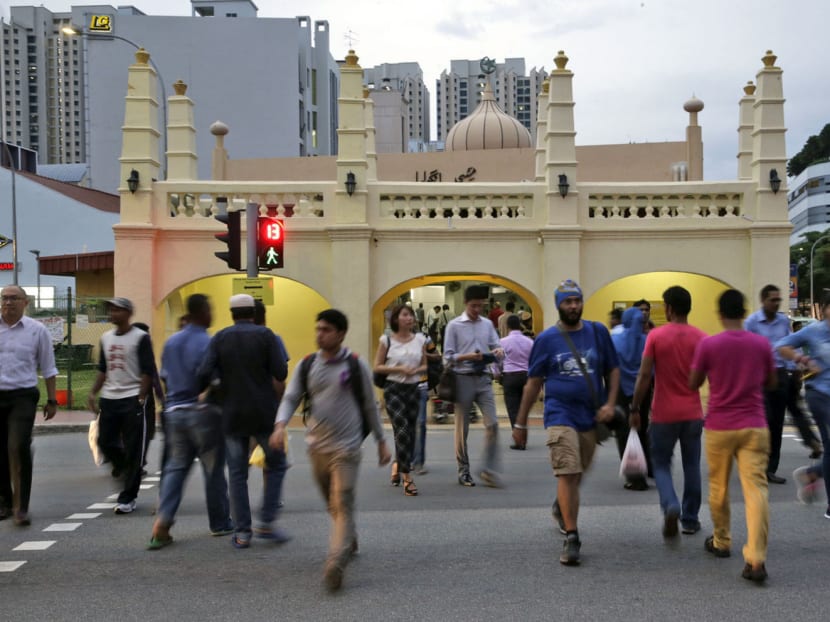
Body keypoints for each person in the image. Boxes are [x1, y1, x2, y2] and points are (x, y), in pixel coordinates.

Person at [270, 309, 391, 592]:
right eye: (318, 328)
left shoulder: (355, 365)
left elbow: (369, 406)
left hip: (347, 448)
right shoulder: (307, 364)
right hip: (317, 448)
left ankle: (335, 562)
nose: (319, 334)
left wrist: (381, 441)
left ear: (340, 334)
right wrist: (279, 426)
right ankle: (349, 537)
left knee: (342, 499)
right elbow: (290, 397)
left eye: (325, 329)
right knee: (334, 505)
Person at [513, 279, 619, 566]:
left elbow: (612, 369)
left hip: (590, 415)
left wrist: (611, 403)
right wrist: (520, 424)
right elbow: (533, 383)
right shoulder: (546, 340)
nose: (573, 306)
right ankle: (572, 536)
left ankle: (562, 505)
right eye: (567, 301)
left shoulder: (597, 332)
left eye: (577, 300)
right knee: (568, 472)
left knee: (578, 471)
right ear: (558, 304)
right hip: (559, 414)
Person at [689, 289, 775, 584]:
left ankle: (721, 541)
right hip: (755, 423)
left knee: (719, 487)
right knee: (756, 490)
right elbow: (771, 381)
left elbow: (693, 382)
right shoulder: (761, 343)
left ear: (720, 313)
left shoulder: (709, 344)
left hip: (720, 424)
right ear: (743, 312)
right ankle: (756, 558)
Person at [197, 294, 289, 549]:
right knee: (277, 464)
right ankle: (267, 521)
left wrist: (218, 383)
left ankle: (242, 533)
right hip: (263, 413)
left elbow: (204, 372)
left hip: (232, 414)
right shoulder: (266, 336)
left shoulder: (220, 337)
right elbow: (281, 371)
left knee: (237, 474)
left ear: (232, 313)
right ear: (253, 312)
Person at [148, 294, 233, 549]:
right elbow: (215, 379)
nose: (212, 314)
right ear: (202, 312)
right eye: (210, 309)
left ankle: (163, 522)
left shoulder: (172, 342)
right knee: (212, 467)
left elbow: (164, 376)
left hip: (174, 411)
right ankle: (219, 523)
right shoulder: (209, 342)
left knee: (175, 467)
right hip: (203, 411)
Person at [631, 286, 706, 537]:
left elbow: (643, 376)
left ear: (669, 308)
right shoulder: (701, 338)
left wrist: (634, 407)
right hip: (693, 412)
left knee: (661, 464)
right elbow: (704, 377)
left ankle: (670, 504)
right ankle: (691, 518)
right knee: (692, 464)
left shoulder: (656, 336)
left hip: (663, 412)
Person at [745, 285, 822, 484]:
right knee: (763, 422)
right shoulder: (752, 322)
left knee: (777, 423)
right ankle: (754, 463)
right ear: (763, 300)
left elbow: (789, 345)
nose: (776, 303)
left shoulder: (782, 321)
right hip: (760, 376)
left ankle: (770, 468)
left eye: (778, 300)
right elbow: (746, 349)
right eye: (773, 300)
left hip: (781, 375)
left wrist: (795, 370)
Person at [87, 297, 156, 515]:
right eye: (111, 309)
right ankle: (124, 466)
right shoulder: (106, 338)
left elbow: (148, 370)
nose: (112, 313)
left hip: (132, 397)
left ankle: (128, 498)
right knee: (104, 441)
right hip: (110, 398)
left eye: (117, 310)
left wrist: (142, 397)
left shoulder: (140, 338)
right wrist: (93, 392)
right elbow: (103, 368)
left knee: (135, 448)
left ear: (128, 313)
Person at [0, 285, 59, 526]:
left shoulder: (37, 331)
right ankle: (5, 501)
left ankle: (21, 507)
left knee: (18, 445)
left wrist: (52, 399)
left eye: (14, 298)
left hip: (23, 396)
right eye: (4, 298)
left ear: (26, 303)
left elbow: (48, 367)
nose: (8, 302)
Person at [442, 285, 504, 487]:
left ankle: (487, 468)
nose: (477, 309)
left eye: (481, 305)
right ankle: (464, 470)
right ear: (466, 303)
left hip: (484, 378)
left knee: (493, 424)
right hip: (462, 378)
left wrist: (498, 352)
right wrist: (468, 356)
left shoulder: (487, 324)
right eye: (474, 305)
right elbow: (447, 358)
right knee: (462, 429)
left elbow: (495, 345)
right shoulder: (454, 326)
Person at [776, 291, 830, 519]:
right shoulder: (815, 331)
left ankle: (813, 473)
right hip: (820, 394)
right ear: (825, 310)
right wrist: (804, 360)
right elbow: (782, 346)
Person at [373, 304, 426, 496]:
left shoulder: (420, 339)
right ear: (395, 319)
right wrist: (399, 369)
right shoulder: (386, 340)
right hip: (393, 388)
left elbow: (424, 365)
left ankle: (397, 464)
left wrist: (416, 371)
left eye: (411, 315)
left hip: (413, 389)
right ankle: (407, 477)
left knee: (409, 432)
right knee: (402, 429)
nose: (409, 318)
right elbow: (378, 366)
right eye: (405, 315)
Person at [611, 306, 651, 491]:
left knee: (624, 432)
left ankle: (634, 477)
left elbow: (609, 366)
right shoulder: (646, 341)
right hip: (642, 392)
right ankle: (647, 468)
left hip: (621, 391)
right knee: (641, 429)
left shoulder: (615, 339)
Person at [132, 321, 163, 475]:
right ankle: (138, 462)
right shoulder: (144, 353)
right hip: (143, 399)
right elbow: (154, 376)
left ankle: (132, 462)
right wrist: (161, 398)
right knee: (145, 431)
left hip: (127, 397)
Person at [499, 313, 533, 443]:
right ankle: (523, 435)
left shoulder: (502, 342)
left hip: (510, 377)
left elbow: (498, 360)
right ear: (520, 325)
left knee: (513, 409)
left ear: (507, 326)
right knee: (523, 408)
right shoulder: (529, 342)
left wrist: (497, 373)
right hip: (526, 376)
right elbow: (533, 360)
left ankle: (518, 438)